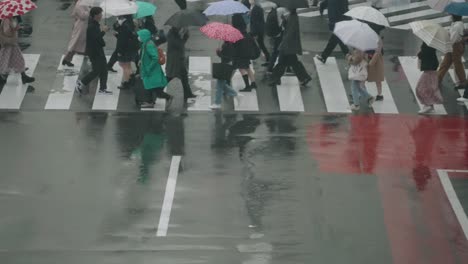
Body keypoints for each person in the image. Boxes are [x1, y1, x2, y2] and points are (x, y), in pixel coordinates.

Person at [268, 9, 311, 86]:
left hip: (288, 44)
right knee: (291, 62)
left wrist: (284, 43)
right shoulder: (291, 16)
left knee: (283, 61)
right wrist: (284, 20)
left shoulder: (293, 17)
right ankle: (304, 77)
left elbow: (290, 32)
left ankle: (275, 79)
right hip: (289, 44)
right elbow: (287, 27)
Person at [75, 7, 112, 95]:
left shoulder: (94, 24)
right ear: (96, 15)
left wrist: (102, 31)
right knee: (97, 70)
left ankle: (103, 88)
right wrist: (103, 31)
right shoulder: (92, 26)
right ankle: (82, 82)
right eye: (100, 14)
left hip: (97, 50)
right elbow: (96, 38)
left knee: (104, 69)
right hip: (95, 52)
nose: (101, 16)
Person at [137, 29, 173, 109]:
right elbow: (145, 55)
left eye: (140, 36)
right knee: (149, 86)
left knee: (154, 88)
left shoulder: (148, 45)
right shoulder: (145, 43)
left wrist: (149, 68)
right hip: (148, 70)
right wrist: (141, 61)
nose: (138, 37)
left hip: (151, 70)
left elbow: (155, 57)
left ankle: (167, 97)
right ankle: (150, 101)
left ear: (144, 36)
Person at [0, 16, 35, 85]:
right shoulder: (6, 20)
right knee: (4, 60)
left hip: (12, 44)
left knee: (19, 59)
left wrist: (17, 27)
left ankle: (23, 76)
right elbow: (6, 31)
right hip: (8, 44)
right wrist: (15, 28)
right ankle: (2, 75)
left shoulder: (10, 19)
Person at [437, 15, 467, 90]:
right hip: (454, 46)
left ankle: (463, 82)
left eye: (451, 15)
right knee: (446, 63)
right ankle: (437, 79)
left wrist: (447, 45)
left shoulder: (457, 26)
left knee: (457, 64)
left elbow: (453, 38)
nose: (450, 17)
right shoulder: (456, 24)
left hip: (454, 46)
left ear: (454, 16)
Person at [166, 26, 195, 100]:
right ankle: (158, 92)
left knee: (184, 77)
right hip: (174, 61)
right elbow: (179, 45)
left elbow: (181, 43)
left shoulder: (175, 35)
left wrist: (186, 35)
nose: (181, 28)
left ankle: (188, 93)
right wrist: (184, 35)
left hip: (179, 60)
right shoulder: (171, 36)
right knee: (169, 78)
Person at [210, 42, 242, 109]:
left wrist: (219, 53)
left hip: (226, 65)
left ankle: (217, 103)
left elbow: (227, 57)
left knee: (219, 86)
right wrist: (219, 52)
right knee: (222, 85)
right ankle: (236, 95)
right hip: (226, 64)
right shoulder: (228, 44)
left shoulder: (229, 45)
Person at [232, 14, 257, 92]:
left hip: (240, 52)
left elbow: (235, 43)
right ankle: (253, 83)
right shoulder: (243, 28)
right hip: (246, 51)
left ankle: (247, 86)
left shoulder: (235, 31)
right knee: (247, 67)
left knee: (241, 68)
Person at [416, 42, 443, 114]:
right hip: (431, 66)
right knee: (428, 87)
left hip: (429, 67)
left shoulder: (428, 43)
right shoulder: (431, 42)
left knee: (421, 88)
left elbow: (425, 53)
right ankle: (430, 105)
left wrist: (419, 54)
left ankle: (428, 105)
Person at [62, 0, 89, 67]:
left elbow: (74, 14)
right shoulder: (79, 4)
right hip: (81, 27)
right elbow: (83, 16)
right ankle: (67, 59)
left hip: (83, 26)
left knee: (76, 44)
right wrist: (89, 11)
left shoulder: (82, 3)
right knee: (75, 43)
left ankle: (67, 59)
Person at [115, 15, 138, 90]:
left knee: (124, 65)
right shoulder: (130, 24)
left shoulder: (124, 26)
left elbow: (122, 40)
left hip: (124, 49)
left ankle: (128, 82)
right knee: (127, 65)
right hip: (129, 48)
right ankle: (130, 80)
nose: (118, 19)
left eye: (119, 17)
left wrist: (120, 51)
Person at [366, 23, 385, 101]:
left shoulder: (373, 38)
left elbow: (378, 50)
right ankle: (379, 94)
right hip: (373, 58)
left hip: (373, 58)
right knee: (377, 78)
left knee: (365, 76)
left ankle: (361, 92)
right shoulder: (377, 38)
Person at [249, 0, 270, 65]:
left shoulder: (256, 9)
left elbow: (256, 22)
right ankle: (267, 58)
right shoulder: (257, 8)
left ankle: (265, 58)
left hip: (257, 30)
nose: (249, 1)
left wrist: (255, 32)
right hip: (259, 30)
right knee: (261, 44)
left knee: (258, 44)